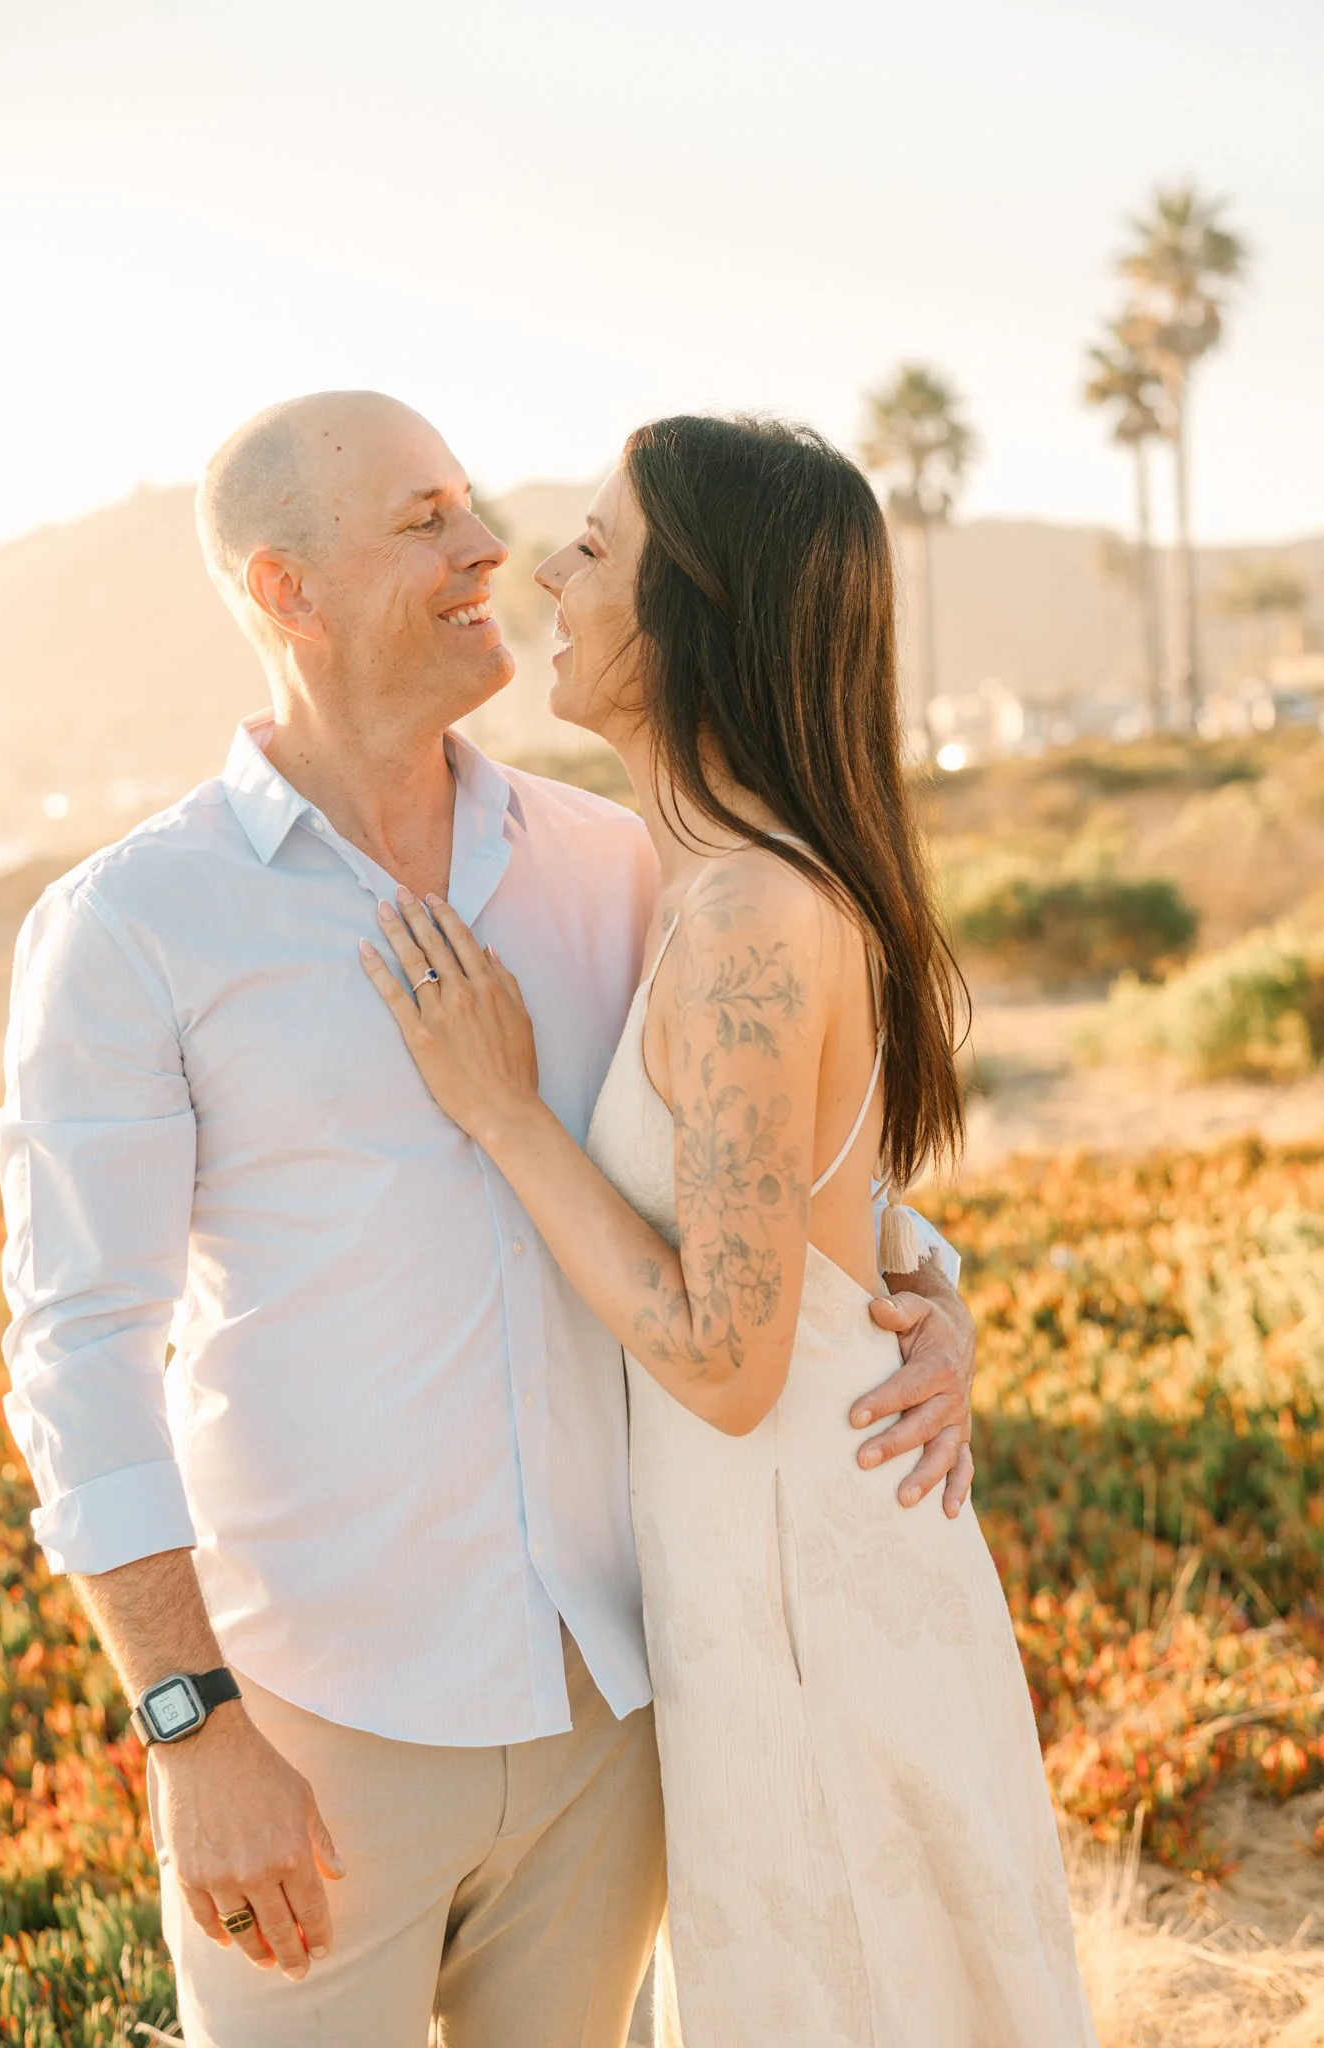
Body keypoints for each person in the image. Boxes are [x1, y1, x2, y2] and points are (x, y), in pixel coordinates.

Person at [0, 392, 979, 2046]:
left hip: (618, 1712)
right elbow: (79, 1348)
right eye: (424, 520)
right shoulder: (135, 926)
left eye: (473, 507)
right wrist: (191, 1729)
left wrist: (920, 1285)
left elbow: (768, 1139)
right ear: (286, 590)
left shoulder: (611, 864)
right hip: (319, 1735)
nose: (487, 551)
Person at [358, 415, 1098, 2047]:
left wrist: (502, 1113)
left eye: (600, 549)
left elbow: (723, 1354)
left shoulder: (752, 916)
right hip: (764, 1586)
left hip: (802, 1608)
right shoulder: (704, 888)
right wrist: (928, 1286)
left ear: (698, 611)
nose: (547, 565)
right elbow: (828, 1221)